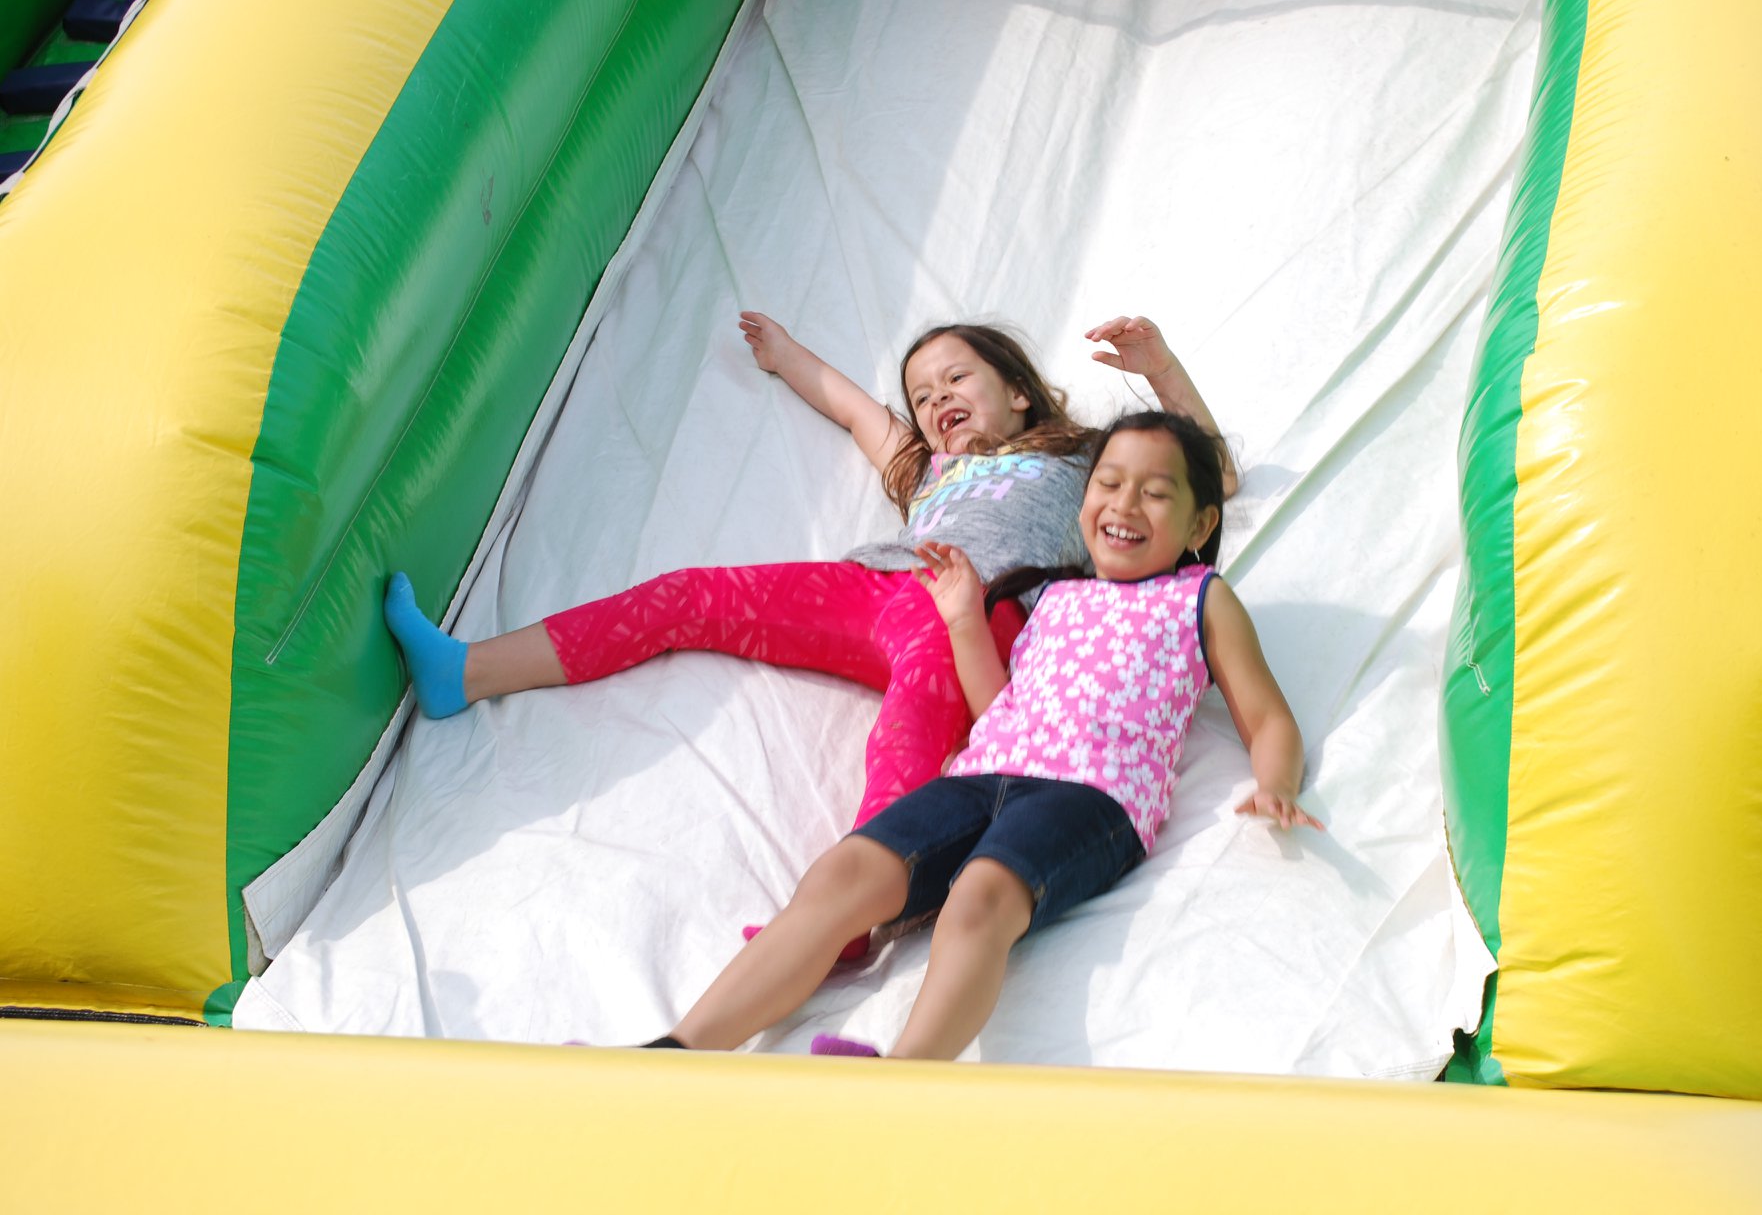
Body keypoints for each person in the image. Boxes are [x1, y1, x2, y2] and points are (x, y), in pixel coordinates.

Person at [382, 313, 1232, 953]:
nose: (937, 403)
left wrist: (1159, 369)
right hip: (868, 586)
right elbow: (858, 413)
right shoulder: (928, 470)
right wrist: (785, 358)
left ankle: (841, 923)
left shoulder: (1087, 459)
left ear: (1017, 390)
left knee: (905, 744)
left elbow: (1213, 473)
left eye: (956, 381)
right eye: (925, 396)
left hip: (970, 612)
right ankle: (469, 672)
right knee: (686, 596)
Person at [645, 410, 1316, 1059]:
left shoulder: (1201, 597)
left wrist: (1276, 784)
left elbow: (1267, 717)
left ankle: (906, 1074)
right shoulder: (1054, 596)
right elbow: (998, 710)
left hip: (1091, 797)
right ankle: (680, 1051)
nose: (1125, 504)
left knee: (980, 895)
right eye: (1109, 484)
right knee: (841, 873)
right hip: (981, 776)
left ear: (1200, 521)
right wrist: (965, 617)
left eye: (1156, 492)